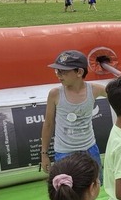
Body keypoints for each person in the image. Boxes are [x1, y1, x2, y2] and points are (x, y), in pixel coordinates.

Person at [41, 50, 107, 183]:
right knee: (68, 190)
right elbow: (48, 124)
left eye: (63, 71)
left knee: (94, 186)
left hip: (90, 149)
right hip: (64, 153)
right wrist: (44, 154)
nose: (59, 75)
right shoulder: (55, 94)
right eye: (57, 71)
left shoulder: (95, 90)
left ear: (79, 72)